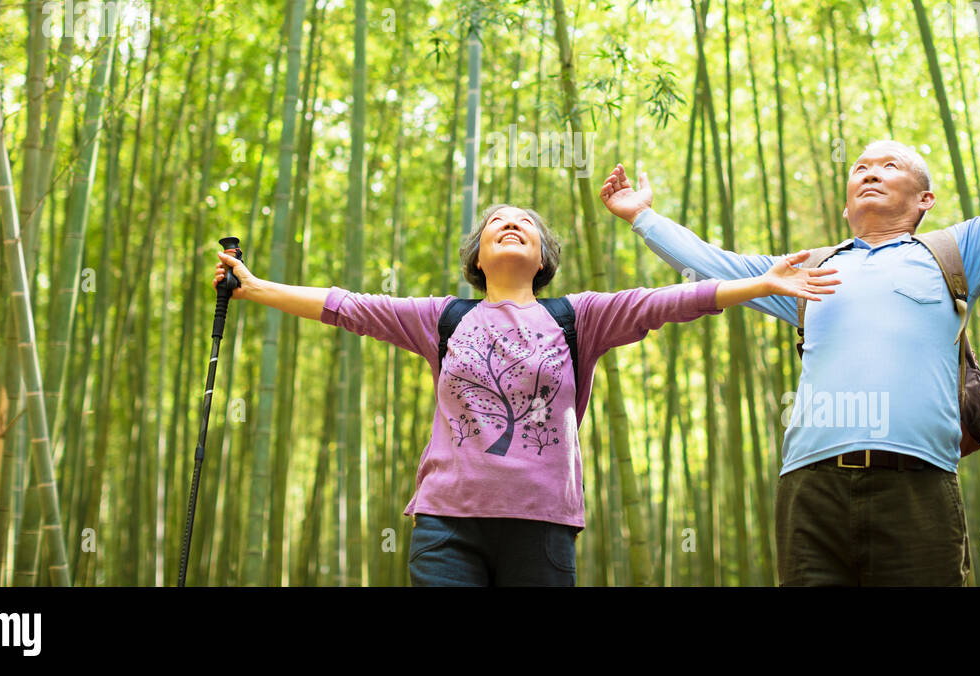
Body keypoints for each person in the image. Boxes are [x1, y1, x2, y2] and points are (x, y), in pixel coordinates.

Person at [599, 29, 980, 586]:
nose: (871, 171)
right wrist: (642, 217)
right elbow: (715, 266)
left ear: (924, 198)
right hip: (811, 488)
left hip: (918, 482)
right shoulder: (808, 270)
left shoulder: (957, 252)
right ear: (848, 196)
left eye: (890, 165)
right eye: (860, 167)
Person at [213, 201, 839, 586]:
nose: (511, 226)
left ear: (543, 257)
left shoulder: (579, 317)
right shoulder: (442, 316)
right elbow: (344, 306)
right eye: (497, 224)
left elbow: (670, 301)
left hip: (542, 524)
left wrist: (760, 283)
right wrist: (254, 287)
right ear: (477, 257)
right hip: (447, 523)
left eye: (525, 225)